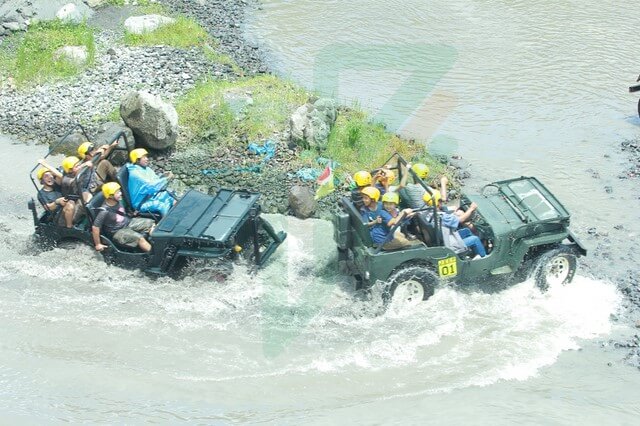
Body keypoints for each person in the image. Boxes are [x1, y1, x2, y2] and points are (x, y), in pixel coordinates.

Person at [92, 182, 154, 252]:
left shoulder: (118, 200)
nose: (120, 193)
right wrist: (98, 244)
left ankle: (159, 244)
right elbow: (95, 227)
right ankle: (156, 257)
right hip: (117, 232)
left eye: (119, 191)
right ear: (110, 196)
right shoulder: (104, 211)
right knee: (140, 238)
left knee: (151, 223)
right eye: (117, 192)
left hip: (127, 222)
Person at [37, 157, 88, 226]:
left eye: (51, 175)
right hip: (58, 217)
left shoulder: (57, 184)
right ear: (42, 181)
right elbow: (48, 207)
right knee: (70, 204)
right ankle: (69, 228)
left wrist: (45, 164)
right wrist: (57, 202)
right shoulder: (41, 194)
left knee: (85, 194)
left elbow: (60, 176)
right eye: (46, 176)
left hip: (69, 210)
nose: (50, 177)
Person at [126, 148, 175, 216]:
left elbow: (155, 180)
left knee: (169, 195)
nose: (147, 159)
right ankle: (167, 223)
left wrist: (163, 176)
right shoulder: (135, 174)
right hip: (141, 203)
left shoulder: (146, 169)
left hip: (150, 195)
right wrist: (166, 179)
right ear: (137, 160)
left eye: (146, 157)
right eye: (144, 157)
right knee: (161, 205)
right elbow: (151, 185)